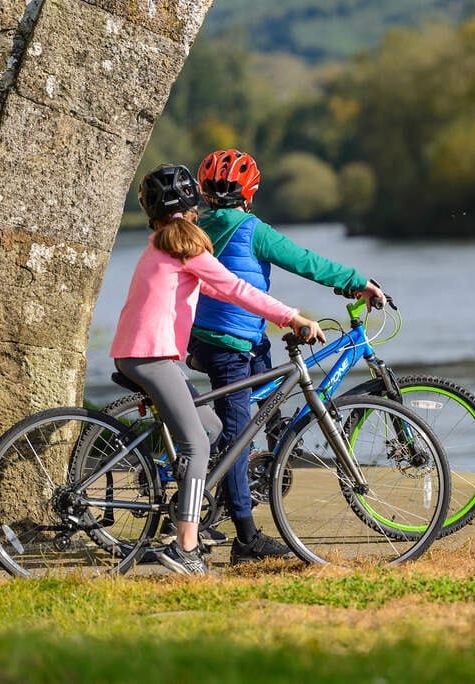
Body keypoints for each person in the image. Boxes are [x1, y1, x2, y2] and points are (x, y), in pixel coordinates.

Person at [110, 164, 324, 575]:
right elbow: (236, 288)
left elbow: (213, 286)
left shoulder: (159, 245)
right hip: (153, 357)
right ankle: (185, 548)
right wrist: (291, 317)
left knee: (211, 428)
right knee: (198, 445)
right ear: (193, 205)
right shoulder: (187, 246)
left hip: (138, 354)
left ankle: (193, 513)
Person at [186, 148, 385, 566]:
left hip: (214, 339)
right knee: (239, 437)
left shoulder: (194, 226)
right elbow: (305, 262)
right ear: (250, 193)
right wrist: (356, 283)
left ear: (204, 192)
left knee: (269, 401)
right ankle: (245, 538)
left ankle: (264, 472)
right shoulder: (252, 229)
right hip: (231, 345)